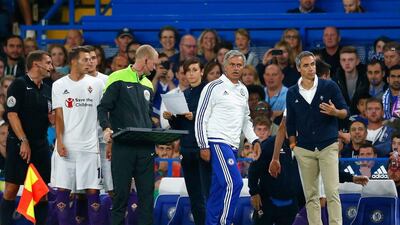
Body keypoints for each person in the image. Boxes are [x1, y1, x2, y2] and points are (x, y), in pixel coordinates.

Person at [195, 49, 261, 225]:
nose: (236, 68)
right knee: (235, 183)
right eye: (232, 64)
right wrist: (203, 145)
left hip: (232, 145)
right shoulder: (213, 87)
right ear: (225, 66)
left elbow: (246, 119)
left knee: (218, 190)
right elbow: (201, 117)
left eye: (240, 65)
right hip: (216, 142)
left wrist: (254, 139)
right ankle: (226, 221)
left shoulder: (243, 91)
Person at [286, 51, 349, 225]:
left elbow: (345, 112)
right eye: (306, 65)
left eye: (312, 64)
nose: (310, 68)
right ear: (299, 68)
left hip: (328, 145)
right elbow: (290, 122)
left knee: (332, 191)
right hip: (304, 149)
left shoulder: (329, 86)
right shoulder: (292, 93)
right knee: (311, 196)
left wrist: (335, 112)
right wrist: (293, 145)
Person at [98, 44, 158, 225]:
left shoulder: (148, 84)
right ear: (145, 60)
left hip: (146, 148)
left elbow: (147, 117)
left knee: (147, 197)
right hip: (123, 147)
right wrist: (106, 128)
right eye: (153, 64)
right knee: (120, 196)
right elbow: (103, 108)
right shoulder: (117, 78)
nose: (155, 68)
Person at [51, 46, 104, 225]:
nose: (89, 62)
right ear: (73, 61)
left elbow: (105, 114)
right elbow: (59, 115)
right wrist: (59, 141)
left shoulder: (98, 84)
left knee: (93, 193)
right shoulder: (59, 85)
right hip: (67, 146)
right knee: (63, 193)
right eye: (85, 59)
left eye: (91, 59)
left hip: (90, 147)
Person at [0, 50, 53, 225]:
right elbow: (12, 115)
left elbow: (50, 117)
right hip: (18, 144)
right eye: (48, 63)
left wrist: (53, 119)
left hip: (41, 144)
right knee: (12, 188)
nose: (51, 67)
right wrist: (24, 140)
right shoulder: (19, 84)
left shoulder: (48, 88)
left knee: (42, 191)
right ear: (36, 64)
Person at [163, 57, 211, 225]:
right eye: (187, 71)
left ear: (202, 71)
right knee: (195, 196)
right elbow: (180, 125)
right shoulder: (184, 94)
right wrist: (171, 118)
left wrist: (195, 115)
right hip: (186, 149)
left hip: (203, 148)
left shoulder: (209, 92)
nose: (190, 74)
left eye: (194, 70)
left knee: (207, 194)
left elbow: (214, 118)